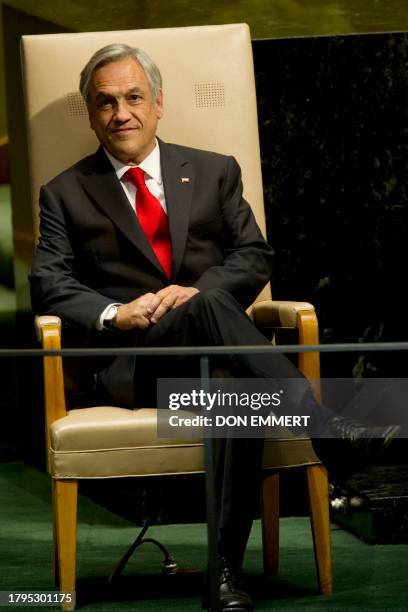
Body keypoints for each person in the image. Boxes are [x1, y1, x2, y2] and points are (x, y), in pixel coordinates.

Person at [29, 44, 399, 611]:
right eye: (105, 103)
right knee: (206, 315)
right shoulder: (64, 192)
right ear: (92, 111)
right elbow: (50, 284)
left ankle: (224, 574)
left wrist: (199, 295)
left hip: (219, 354)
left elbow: (253, 256)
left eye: (133, 98)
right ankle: (322, 424)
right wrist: (114, 313)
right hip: (134, 367)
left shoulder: (212, 170)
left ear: (158, 104)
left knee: (229, 379)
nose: (120, 112)